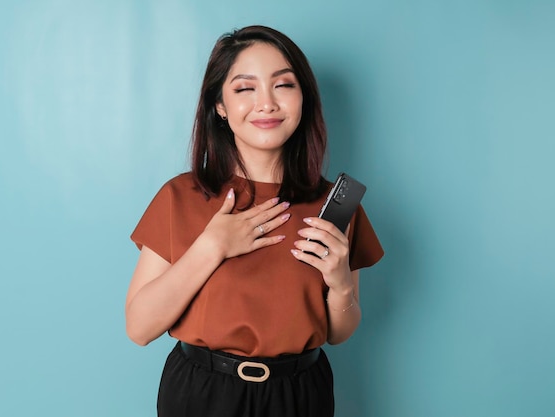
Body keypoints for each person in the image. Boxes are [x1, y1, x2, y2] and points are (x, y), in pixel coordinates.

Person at [125, 25, 384, 417]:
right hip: (202, 395)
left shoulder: (336, 204)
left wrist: (340, 284)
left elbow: (338, 334)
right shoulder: (180, 197)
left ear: (304, 99)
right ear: (220, 106)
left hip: (301, 396)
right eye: (245, 88)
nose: (267, 103)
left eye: (283, 85)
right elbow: (139, 328)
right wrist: (212, 247)